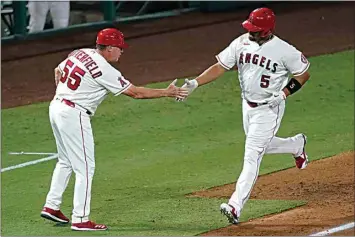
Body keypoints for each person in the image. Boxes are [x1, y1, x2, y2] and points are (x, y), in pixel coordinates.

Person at [40, 28, 188, 231]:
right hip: (74, 114)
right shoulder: (104, 69)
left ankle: (52, 205)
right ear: (109, 48)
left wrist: (65, 92)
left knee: (65, 160)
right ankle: (80, 219)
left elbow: (58, 70)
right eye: (119, 48)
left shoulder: (80, 52)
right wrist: (167, 92)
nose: (121, 52)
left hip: (56, 107)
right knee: (85, 168)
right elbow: (135, 93)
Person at [177, 7, 310, 224]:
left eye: (255, 29)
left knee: (252, 155)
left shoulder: (284, 50)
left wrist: (284, 94)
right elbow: (221, 66)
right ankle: (296, 145)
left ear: (267, 31)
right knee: (259, 145)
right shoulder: (241, 42)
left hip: (269, 108)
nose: (250, 32)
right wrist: (195, 83)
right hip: (247, 106)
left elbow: (303, 74)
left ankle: (235, 206)